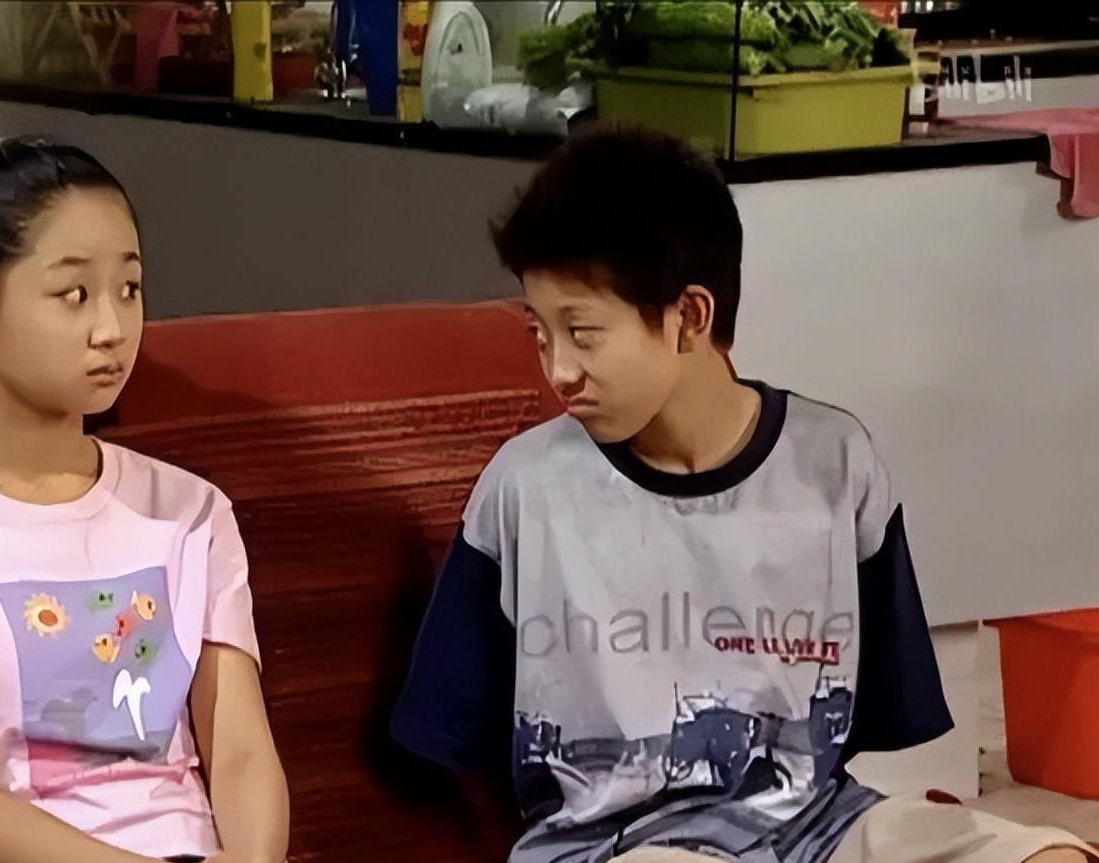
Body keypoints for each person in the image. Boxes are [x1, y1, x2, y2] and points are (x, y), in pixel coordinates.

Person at [390, 128, 1095, 863]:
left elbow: (861, 724)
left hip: (819, 826)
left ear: (690, 317)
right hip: (616, 847)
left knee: (1049, 855)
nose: (558, 370)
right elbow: (458, 741)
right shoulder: (524, 490)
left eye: (583, 332)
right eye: (540, 334)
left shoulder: (836, 463)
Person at [0, 137, 289, 863]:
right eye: (74, 294)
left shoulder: (191, 512)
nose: (112, 329)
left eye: (129, 288)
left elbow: (239, 753)